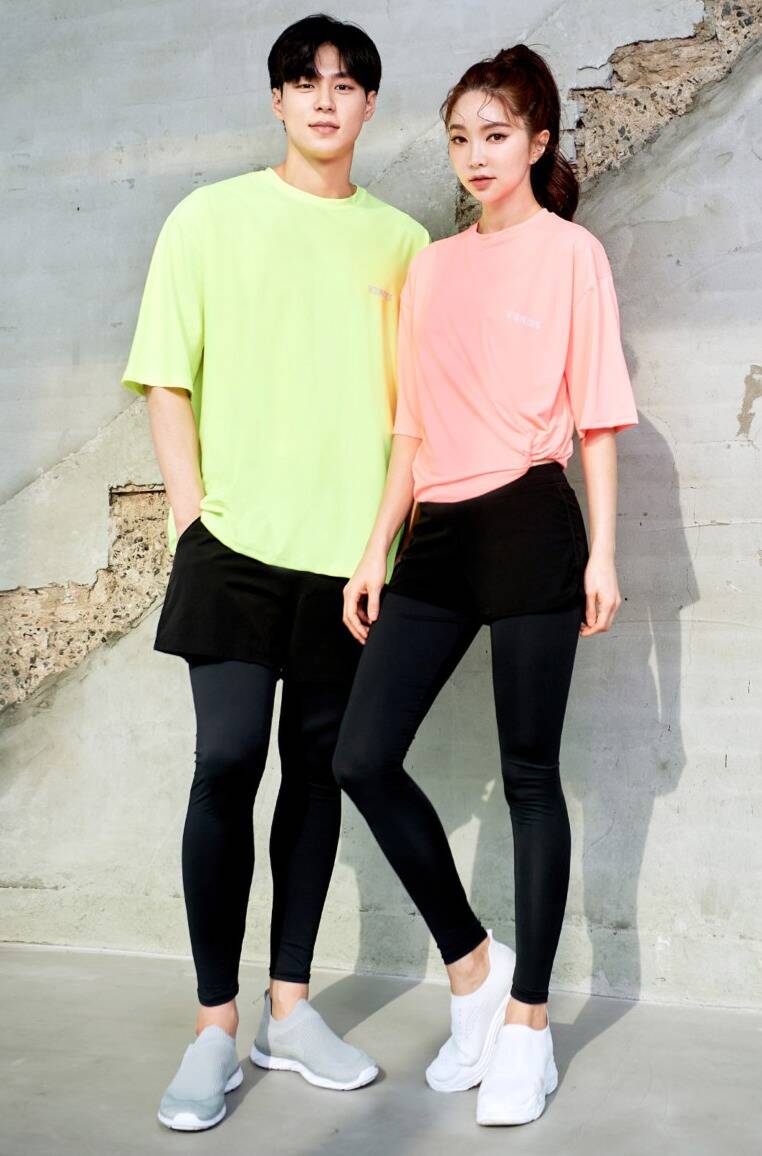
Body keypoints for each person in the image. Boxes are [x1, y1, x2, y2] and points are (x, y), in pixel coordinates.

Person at [121, 13, 429, 1131]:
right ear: (277, 100)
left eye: (346, 84)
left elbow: (415, 414)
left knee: (315, 775)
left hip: (350, 562)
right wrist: (194, 518)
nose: (325, 99)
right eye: (305, 81)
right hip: (234, 550)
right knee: (226, 761)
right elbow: (167, 377)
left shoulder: (404, 244)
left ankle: (288, 1011)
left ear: (370, 105)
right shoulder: (208, 219)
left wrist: (379, 546)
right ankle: (216, 1027)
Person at [333, 43, 638, 1127]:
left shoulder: (571, 256)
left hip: (530, 522)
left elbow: (598, 416)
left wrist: (603, 552)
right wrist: (377, 547)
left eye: (496, 135)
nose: (475, 155)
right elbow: (412, 424)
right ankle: (473, 967)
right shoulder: (432, 266)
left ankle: (529, 1024)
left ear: (538, 141)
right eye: (460, 137)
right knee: (362, 757)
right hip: (438, 534)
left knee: (529, 777)